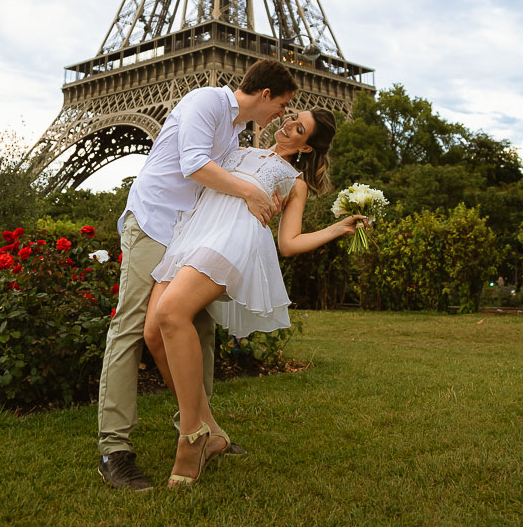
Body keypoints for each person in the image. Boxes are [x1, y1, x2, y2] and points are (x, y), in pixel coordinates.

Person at [97, 58, 297, 491]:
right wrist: (248, 191)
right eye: (282, 104)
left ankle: (202, 430)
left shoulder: (237, 131)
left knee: (197, 328)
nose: (282, 114)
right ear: (265, 94)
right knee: (131, 328)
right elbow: (194, 165)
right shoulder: (206, 100)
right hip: (154, 222)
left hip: (189, 233)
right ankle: (114, 449)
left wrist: (265, 194)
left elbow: (236, 177)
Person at [143, 107, 367, 487]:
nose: (287, 125)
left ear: (307, 147)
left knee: (172, 316)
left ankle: (191, 436)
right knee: (153, 335)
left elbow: (289, 243)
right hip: (191, 232)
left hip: (231, 240)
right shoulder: (237, 149)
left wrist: (335, 229)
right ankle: (210, 431)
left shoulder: (293, 181)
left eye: (298, 128)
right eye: (291, 116)